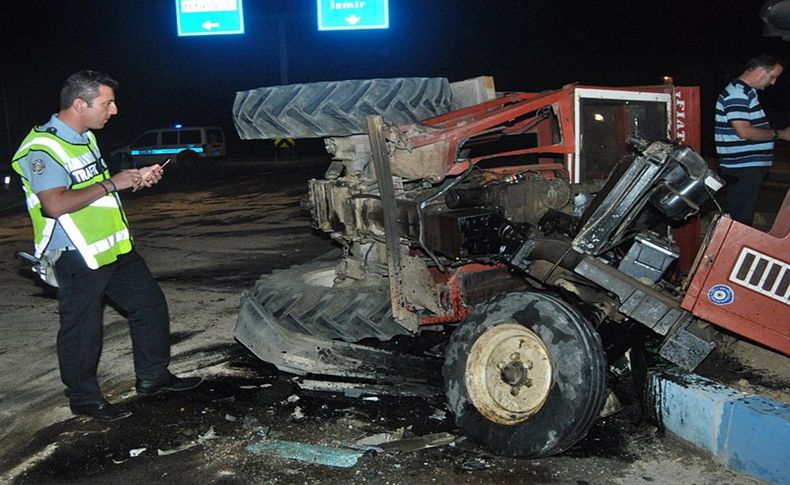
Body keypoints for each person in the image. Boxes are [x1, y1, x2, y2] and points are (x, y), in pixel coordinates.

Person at [11, 70, 202, 422]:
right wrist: (113, 184)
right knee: (83, 328)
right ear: (80, 104)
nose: (113, 110)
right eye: (107, 103)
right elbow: (54, 204)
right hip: (76, 253)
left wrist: (133, 180)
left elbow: (93, 188)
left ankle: (153, 377)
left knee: (149, 305)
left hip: (113, 246)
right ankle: (84, 398)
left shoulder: (84, 137)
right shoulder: (43, 148)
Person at [715, 54, 790, 226]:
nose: (773, 82)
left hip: (745, 167)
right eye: (773, 77)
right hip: (743, 168)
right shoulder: (738, 94)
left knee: (737, 215)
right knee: (739, 220)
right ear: (759, 70)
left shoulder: (746, 93)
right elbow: (744, 132)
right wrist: (780, 134)